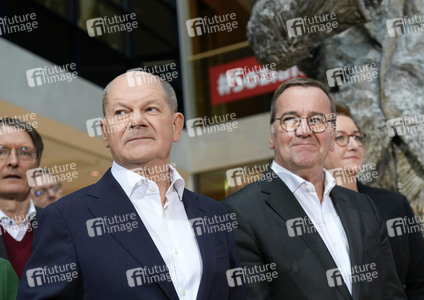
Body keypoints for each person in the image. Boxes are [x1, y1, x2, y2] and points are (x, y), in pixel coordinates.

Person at [18, 71, 245, 300]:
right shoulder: (65, 219)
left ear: (176, 126)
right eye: (121, 112)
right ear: (105, 132)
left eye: (150, 109)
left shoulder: (214, 214)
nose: (136, 121)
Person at [222, 78, 407, 299]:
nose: (304, 130)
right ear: (272, 136)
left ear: (330, 135)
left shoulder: (363, 207)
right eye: (290, 119)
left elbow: (390, 293)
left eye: (316, 120)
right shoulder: (239, 214)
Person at [324, 103, 424, 299]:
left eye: (357, 137)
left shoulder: (393, 205)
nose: (354, 145)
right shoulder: (312, 211)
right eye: (340, 138)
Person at [0, 118, 43, 279]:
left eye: (24, 152)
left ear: (37, 166)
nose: (13, 161)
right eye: (1, 151)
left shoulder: (62, 226)